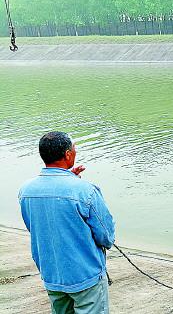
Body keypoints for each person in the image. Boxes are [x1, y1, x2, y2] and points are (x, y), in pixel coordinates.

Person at [18, 131, 115, 314]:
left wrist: (69, 179)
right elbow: (106, 236)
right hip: (85, 274)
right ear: (68, 154)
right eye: (74, 149)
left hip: (51, 273)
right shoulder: (86, 191)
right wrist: (72, 183)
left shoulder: (26, 190)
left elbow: (38, 227)